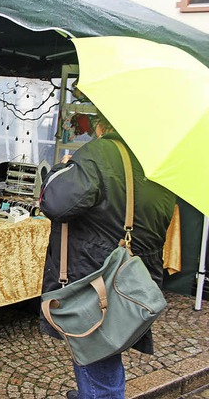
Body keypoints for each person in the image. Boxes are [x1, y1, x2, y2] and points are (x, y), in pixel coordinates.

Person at [39, 112, 175, 398]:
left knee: (97, 350)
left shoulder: (101, 153)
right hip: (136, 275)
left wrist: (59, 172)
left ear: (103, 125)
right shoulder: (157, 162)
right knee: (105, 347)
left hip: (99, 274)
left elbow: (56, 203)